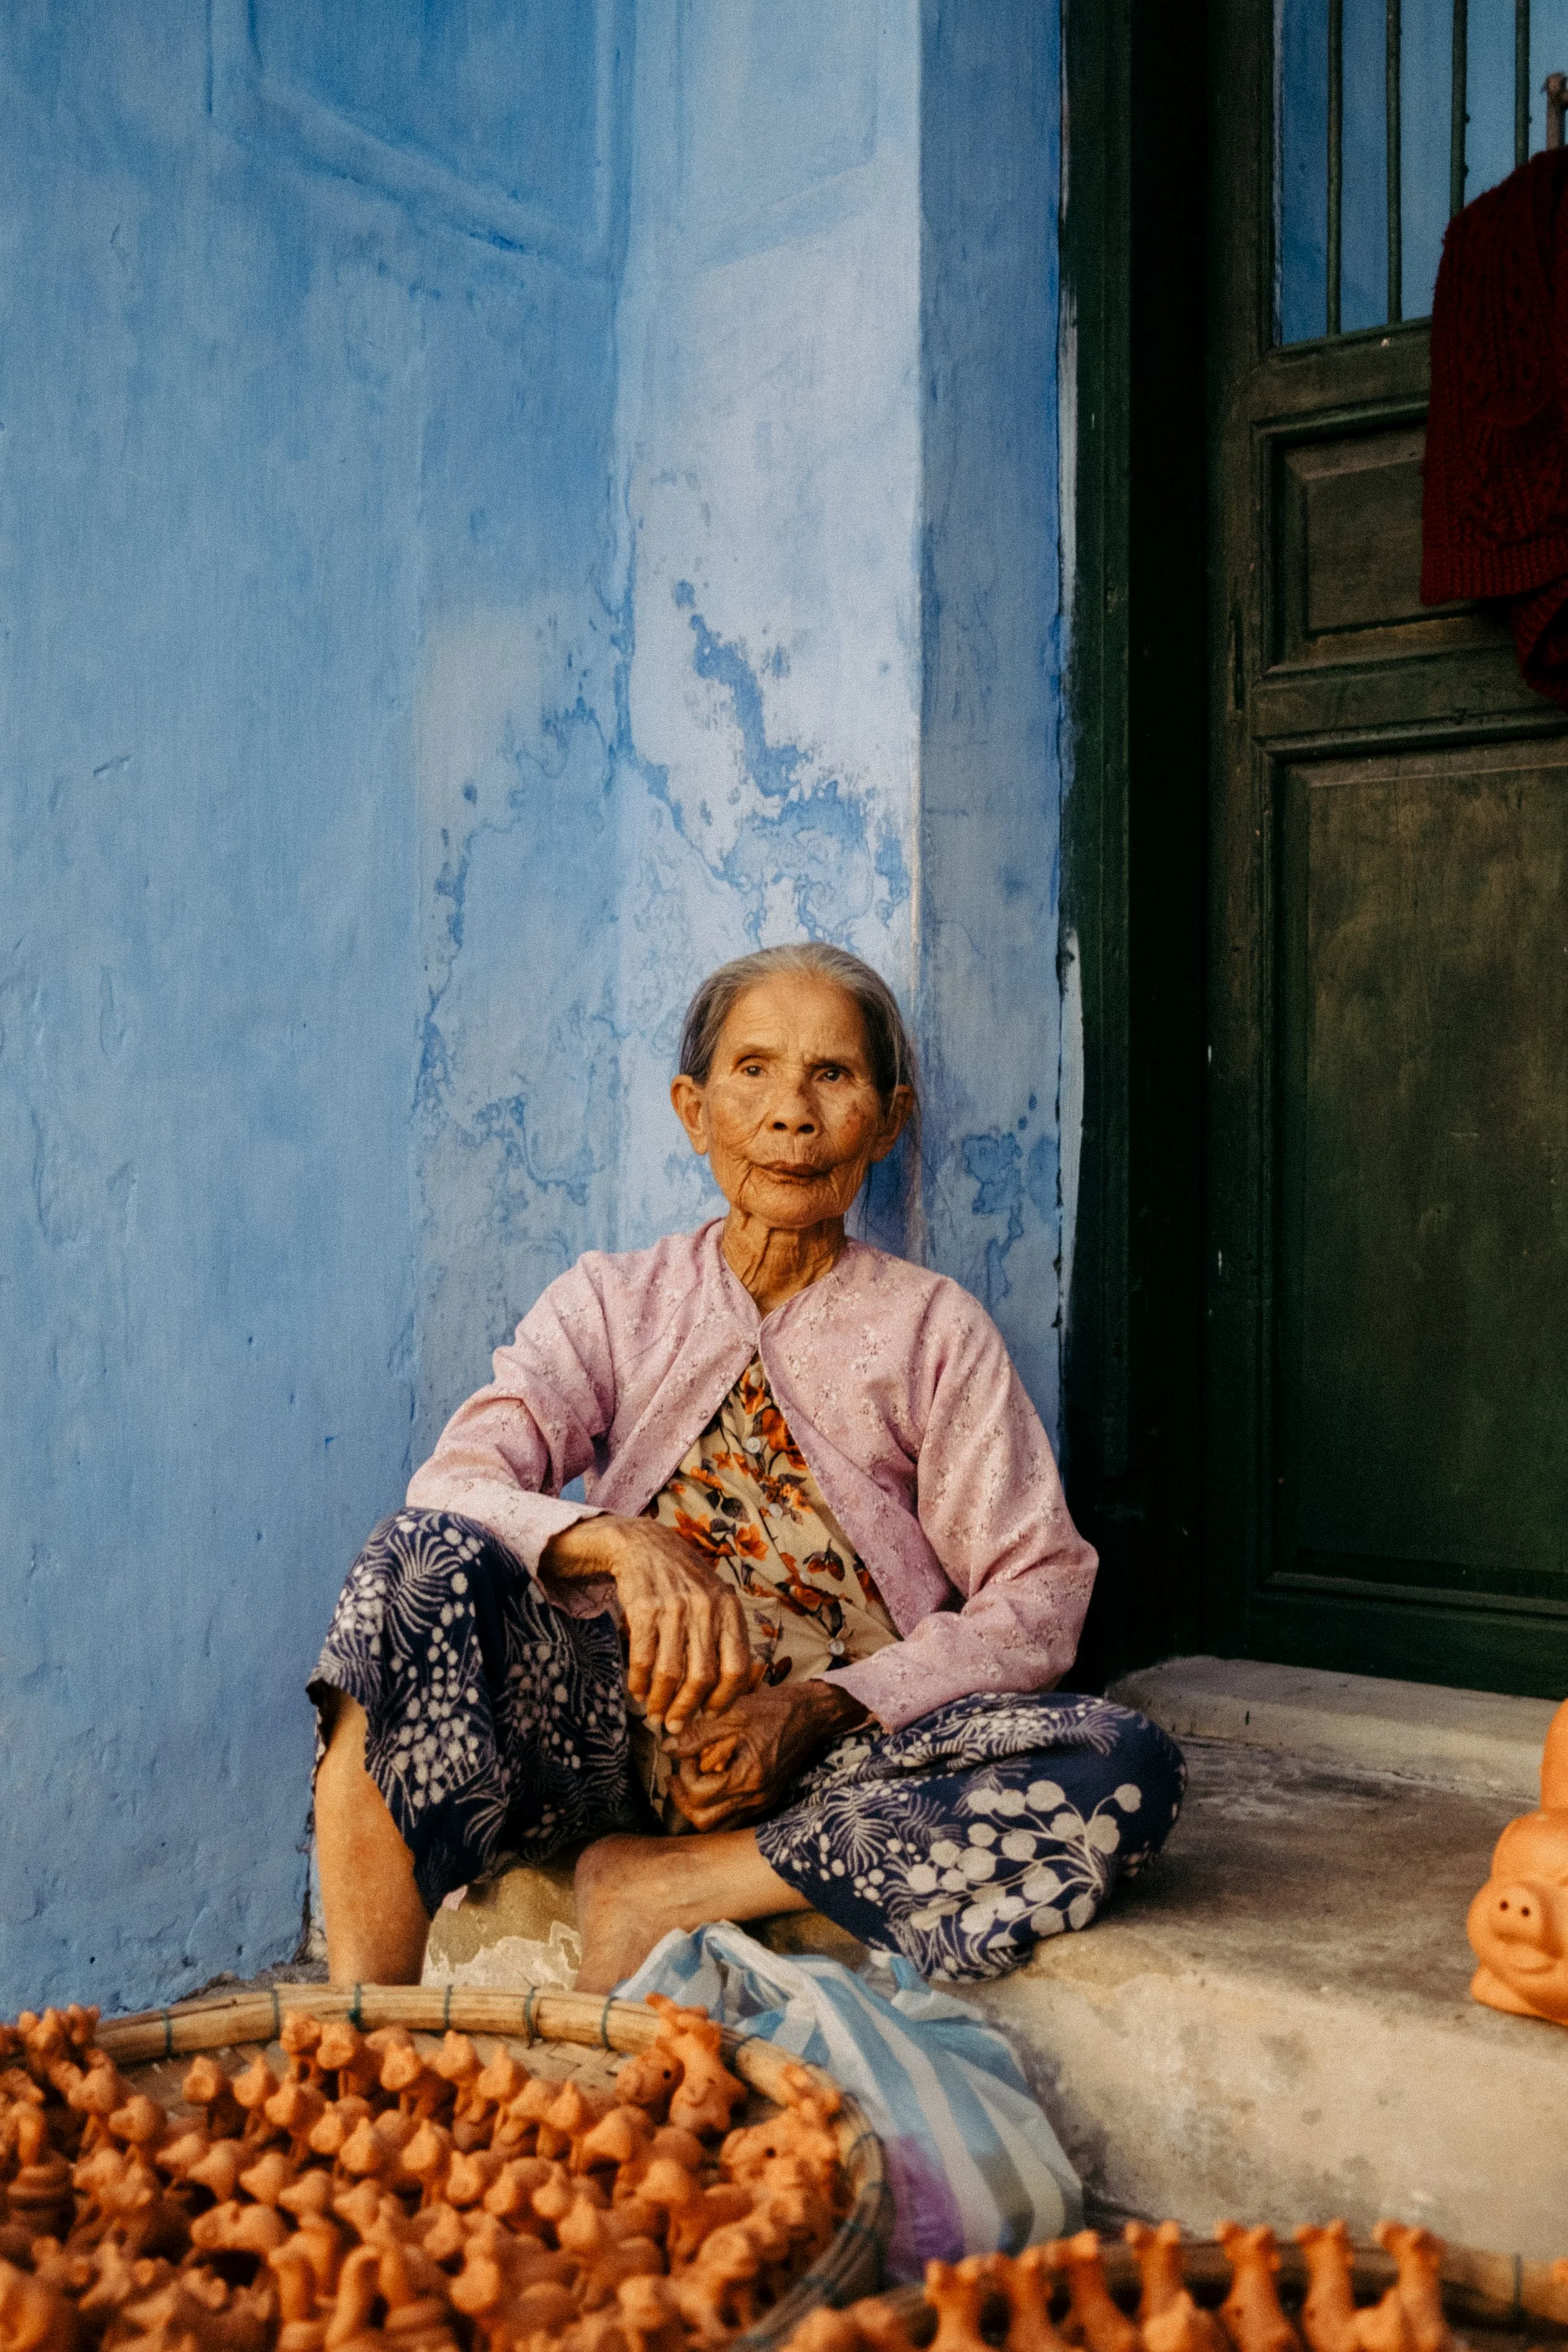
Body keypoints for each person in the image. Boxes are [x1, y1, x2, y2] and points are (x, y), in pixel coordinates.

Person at [310, 945, 1184, 1992]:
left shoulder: (932, 1330)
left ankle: (672, 1884)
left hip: (832, 1768)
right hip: (605, 1737)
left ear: (889, 1117)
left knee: (1123, 1764)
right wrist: (617, 1542)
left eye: (834, 1076)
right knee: (417, 1566)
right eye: (754, 1070)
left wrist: (814, 1710)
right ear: (694, 1108)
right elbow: (451, 1482)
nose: (792, 1114)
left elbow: (1040, 1595)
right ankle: (360, 2026)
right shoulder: (614, 1301)